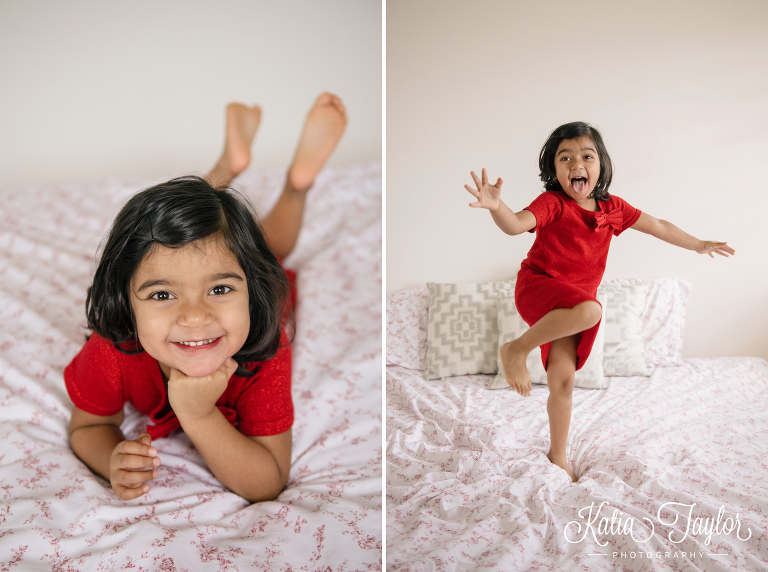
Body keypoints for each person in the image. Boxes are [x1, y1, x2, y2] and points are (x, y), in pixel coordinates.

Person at [65, 93, 347, 502]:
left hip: (259, 270)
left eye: (219, 290)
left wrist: (198, 415)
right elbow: (89, 427)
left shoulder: (265, 345)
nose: (195, 317)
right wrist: (111, 458)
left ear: (251, 293)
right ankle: (226, 169)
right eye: (162, 294)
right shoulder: (114, 347)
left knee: (268, 249)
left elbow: (267, 481)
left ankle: (297, 185)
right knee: (199, 244)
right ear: (126, 304)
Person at [464, 121, 734, 482]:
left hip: (570, 310)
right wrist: (497, 207)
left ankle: (557, 454)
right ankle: (515, 350)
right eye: (565, 158)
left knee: (563, 379)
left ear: (600, 165)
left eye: (586, 156)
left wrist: (700, 244)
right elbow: (515, 224)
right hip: (539, 289)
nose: (577, 164)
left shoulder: (613, 208)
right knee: (592, 311)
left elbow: (658, 225)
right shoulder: (552, 203)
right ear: (554, 170)